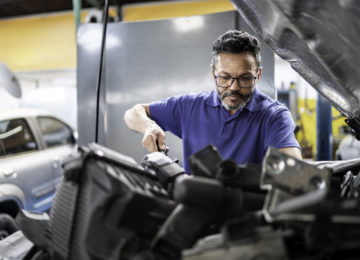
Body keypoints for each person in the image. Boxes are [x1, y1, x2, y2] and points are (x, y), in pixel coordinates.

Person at [124, 30, 302, 174]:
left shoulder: (273, 116)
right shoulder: (189, 107)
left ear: (258, 75)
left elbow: (293, 170)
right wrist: (149, 127)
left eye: (245, 78)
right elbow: (133, 113)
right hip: (195, 211)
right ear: (213, 73)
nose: (233, 87)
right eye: (224, 77)